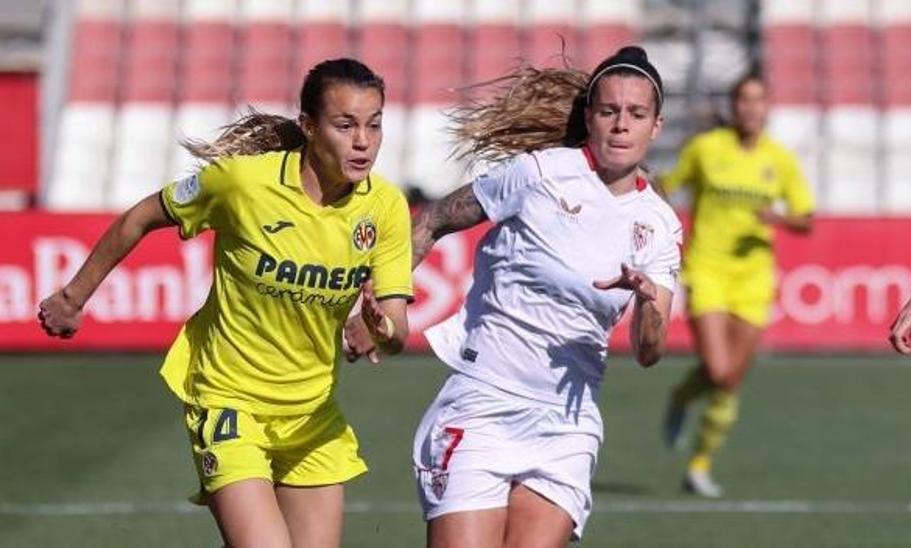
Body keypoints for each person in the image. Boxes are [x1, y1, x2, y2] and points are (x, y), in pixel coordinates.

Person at [37, 58, 413, 547]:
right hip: (229, 401)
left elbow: (398, 326)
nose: (363, 141)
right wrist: (72, 297)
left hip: (312, 413)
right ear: (308, 127)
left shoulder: (384, 206)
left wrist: (384, 329)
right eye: (345, 125)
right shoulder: (240, 183)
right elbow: (141, 217)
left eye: (374, 124)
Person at [347, 46, 680, 547]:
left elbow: (650, 352)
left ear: (656, 125)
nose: (621, 126)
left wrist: (651, 299)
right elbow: (435, 220)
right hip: (484, 403)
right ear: (589, 117)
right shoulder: (540, 173)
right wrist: (379, 309)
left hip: (566, 425)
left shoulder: (659, 225)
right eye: (609, 111)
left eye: (636, 114)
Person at [657, 72, 814, 498]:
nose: (750, 107)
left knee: (729, 382)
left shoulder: (779, 160)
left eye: (757, 99)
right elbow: (664, 187)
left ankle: (700, 465)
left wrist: (778, 218)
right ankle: (681, 397)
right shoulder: (706, 150)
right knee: (717, 368)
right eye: (742, 99)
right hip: (706, 269)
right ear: (732, 105)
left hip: (753, 278)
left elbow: (807, 218)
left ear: (766, 107)